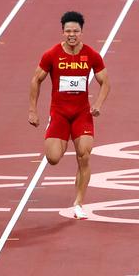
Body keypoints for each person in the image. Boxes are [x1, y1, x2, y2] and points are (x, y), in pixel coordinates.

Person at [28, 11, 111, 220]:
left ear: (81, 33)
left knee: (84, 155)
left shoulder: (91, 55)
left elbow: (105, 82)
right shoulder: (51, 54)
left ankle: (78, 203)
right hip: (59, 113)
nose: (71, 35)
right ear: (62, 32)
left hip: (82, 113)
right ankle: (62, 141)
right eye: (68, 31)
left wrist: (98, 104)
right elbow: (36, 80)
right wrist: (32, 110)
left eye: (75, 31)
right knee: (53, 158)